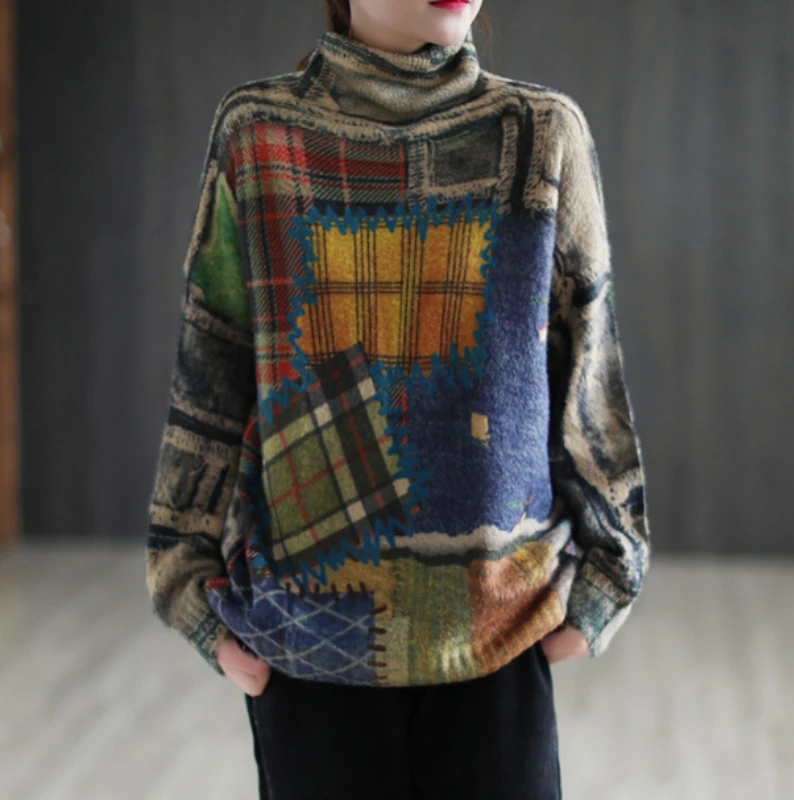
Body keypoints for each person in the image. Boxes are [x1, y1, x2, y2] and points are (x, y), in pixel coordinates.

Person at [144, 0, 651, 797]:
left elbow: (590, 378)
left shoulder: (541, 134)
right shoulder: (259, 134)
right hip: (306, 656)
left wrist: (606, 584)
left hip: (499, 650)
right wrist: (189, 591)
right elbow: (211, 369)